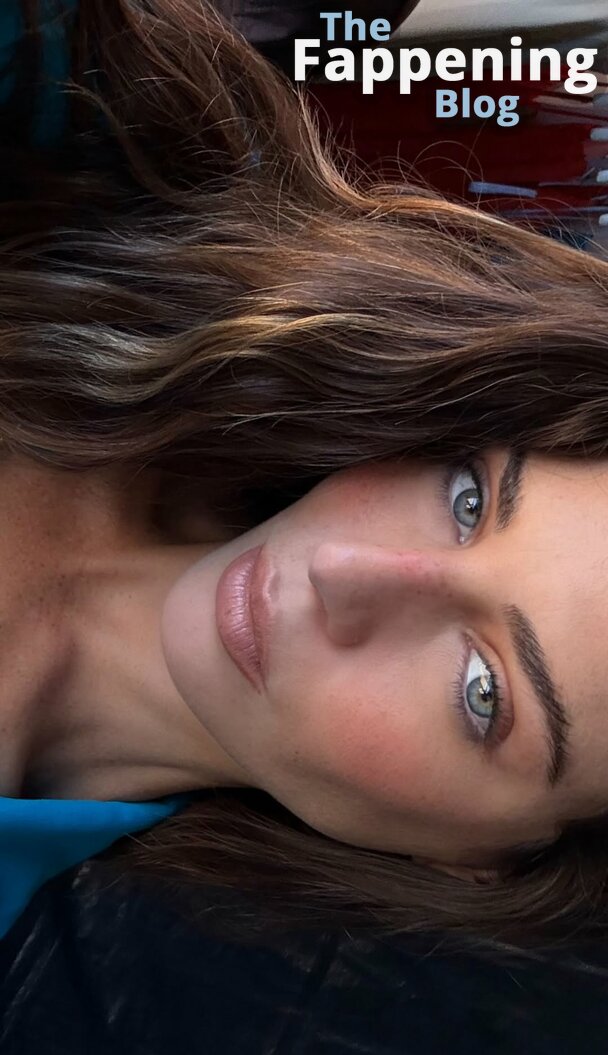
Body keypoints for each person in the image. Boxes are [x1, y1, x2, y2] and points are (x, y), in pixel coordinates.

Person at [1, 0, 608, 956]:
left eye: (482, 691)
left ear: (483, 858)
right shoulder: (102, 143)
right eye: (467, 499)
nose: (347, 573)